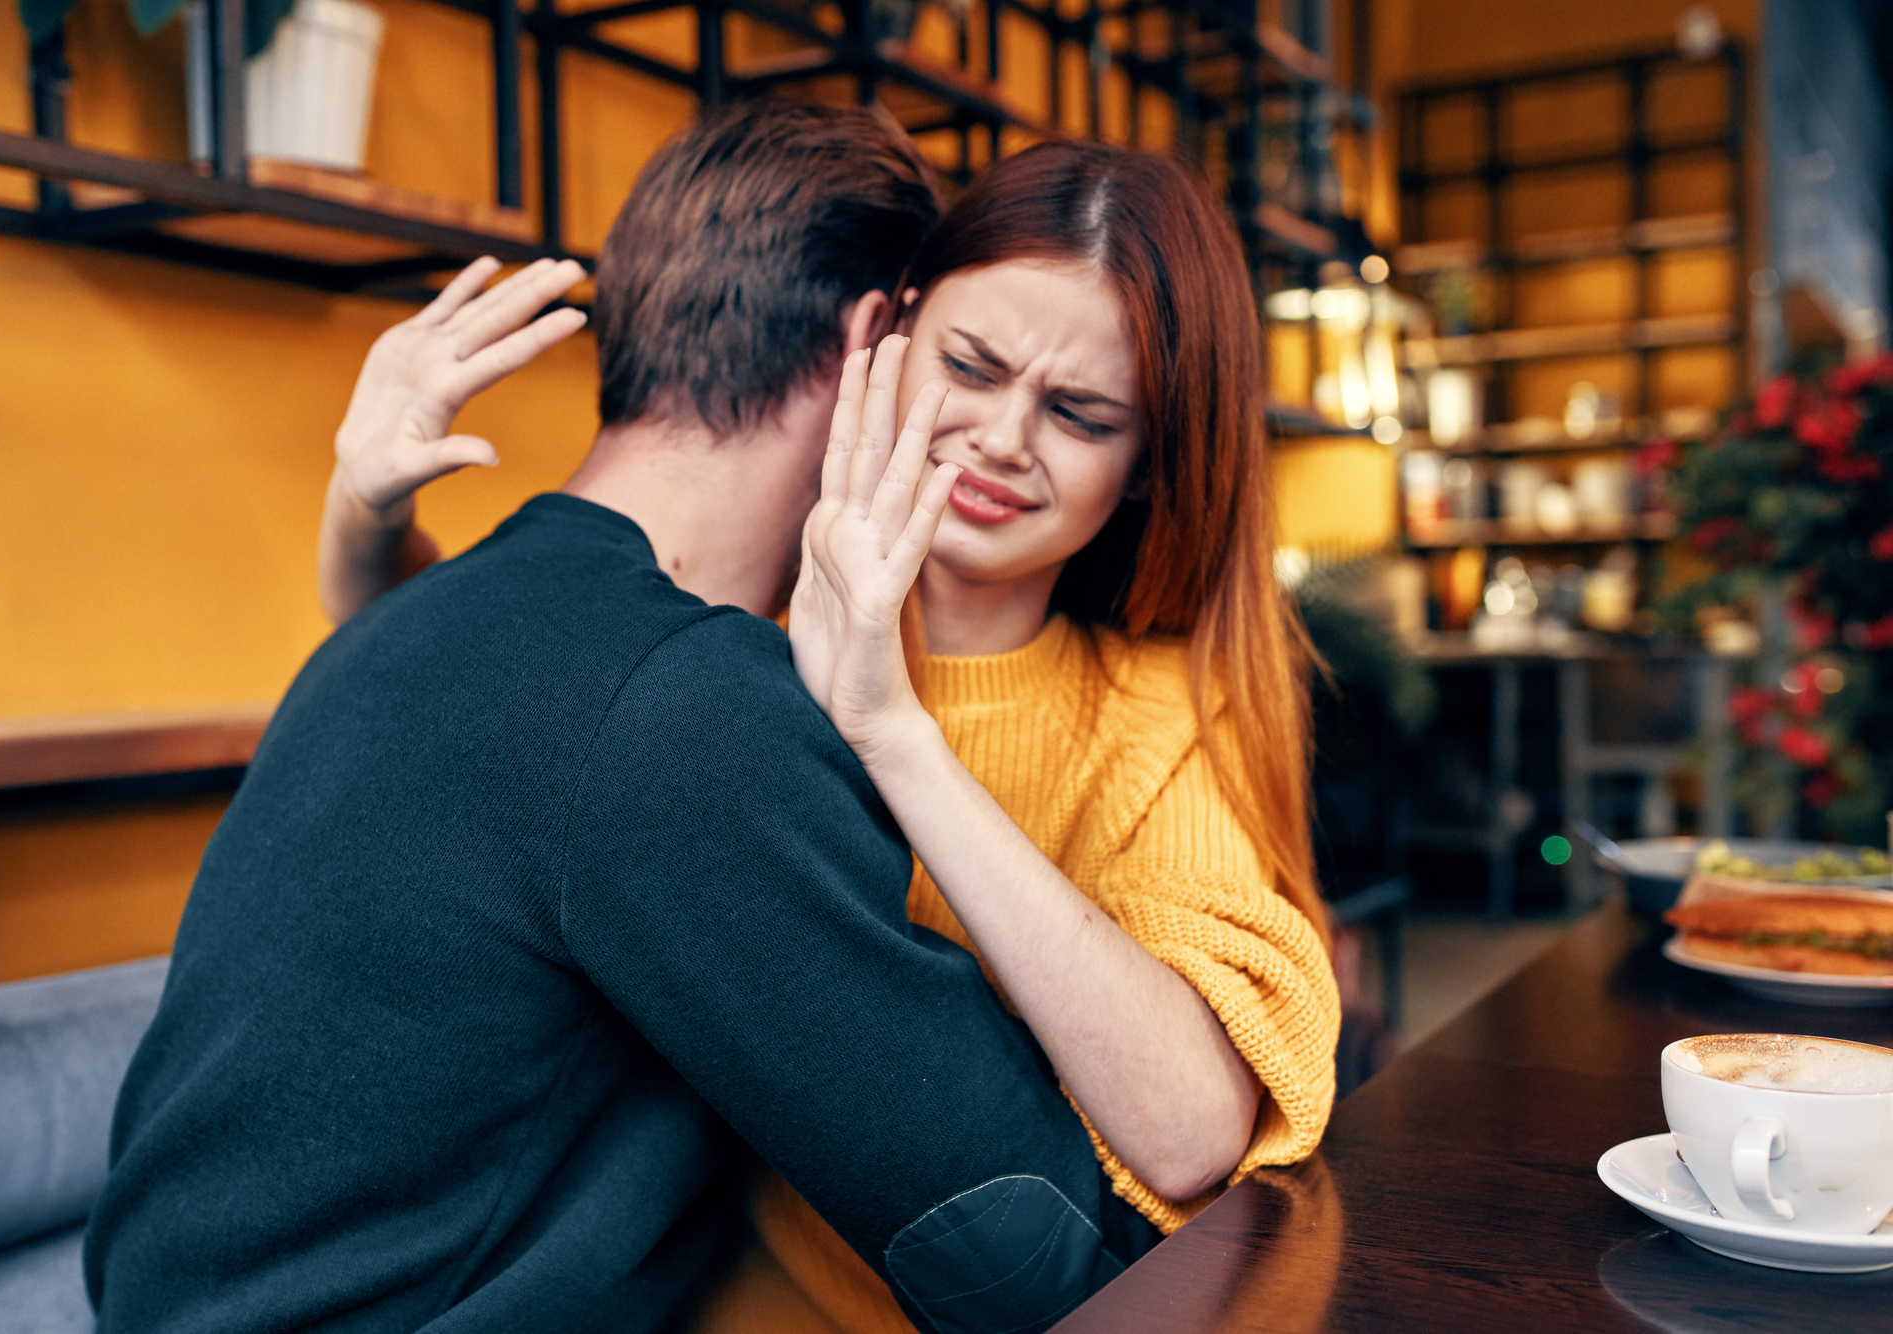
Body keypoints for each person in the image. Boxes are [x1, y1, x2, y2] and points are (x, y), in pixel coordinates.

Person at [83, 100, 1163, 1334]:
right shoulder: (684, 706)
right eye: (953, 359)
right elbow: (1032, 1247)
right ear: (877, 343)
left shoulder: (419, 617)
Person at [324, 138, 1341, 1334]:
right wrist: (361, 508)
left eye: (1079, 413)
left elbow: (1185, 1129)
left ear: (1142, 470)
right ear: (887, 338)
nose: (1005, 437)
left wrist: (890, 730)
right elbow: (490, 711)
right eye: (971, 363)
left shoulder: (1150, 712)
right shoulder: (731, 632)